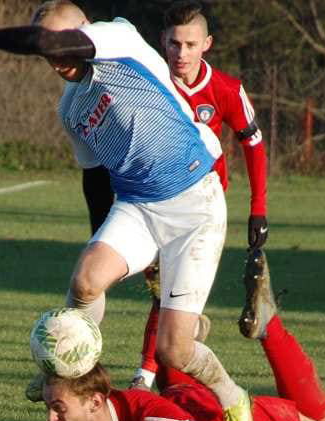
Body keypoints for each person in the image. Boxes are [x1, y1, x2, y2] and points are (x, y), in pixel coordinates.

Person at [0, 1, 257, 421]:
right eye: (49, 55)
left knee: (174, 350)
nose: (56, 59)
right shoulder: (71, 109)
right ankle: (67, 367)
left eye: (62, 46)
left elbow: (45, 39)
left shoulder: (117, 39)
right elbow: (94, 179)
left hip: (195, 202)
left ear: (84, 31)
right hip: (137, 205)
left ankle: (233, 397)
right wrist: (104, 243)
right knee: (86, 280)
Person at [0, 250, 325, 421]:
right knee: (171, 357)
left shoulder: (148, 418)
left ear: (95, 401)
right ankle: (169, 301)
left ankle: (269, 326)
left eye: (58, 408)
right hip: (182, 399)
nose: (51, 418)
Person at [130, 0, 270, 391]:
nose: (181, 53)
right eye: (174, 43)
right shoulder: (149, 83)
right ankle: (181, 340)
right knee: (163, 292)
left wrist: (258, 208)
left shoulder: (226, 88)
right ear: (162, 41)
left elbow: (253, 144)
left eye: (191, 44)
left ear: (207, 44)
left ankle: (144, 376)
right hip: (154, 200)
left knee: (166, 292)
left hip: (203, 209)